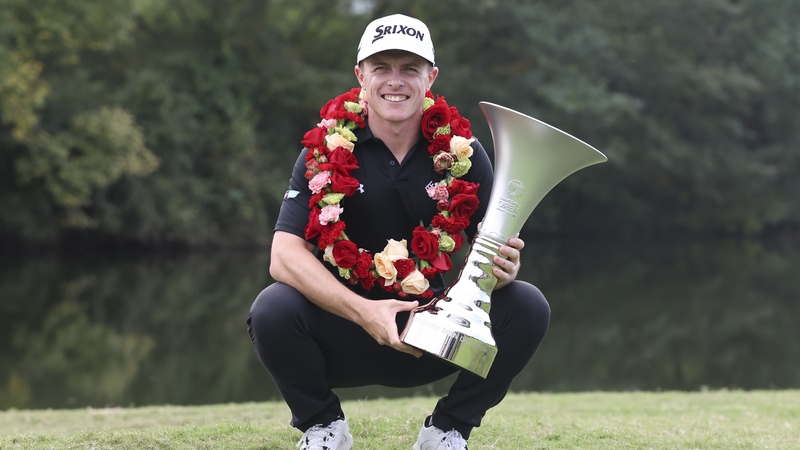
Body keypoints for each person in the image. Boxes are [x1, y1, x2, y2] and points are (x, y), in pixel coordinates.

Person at [247, 13, 550, 450]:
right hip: (342, 331)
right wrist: (365, 312)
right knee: (271, 307)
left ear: (431, 77)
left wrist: (505, 268)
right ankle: (323, 426)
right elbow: (282, 255)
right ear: (360, 76)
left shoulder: (465, 153)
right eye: (382, 67)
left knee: (527, 304)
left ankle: (447, 430)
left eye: (409, 68)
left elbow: (495, 249)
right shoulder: (323, 149)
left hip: (432, 337)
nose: (396, 81)